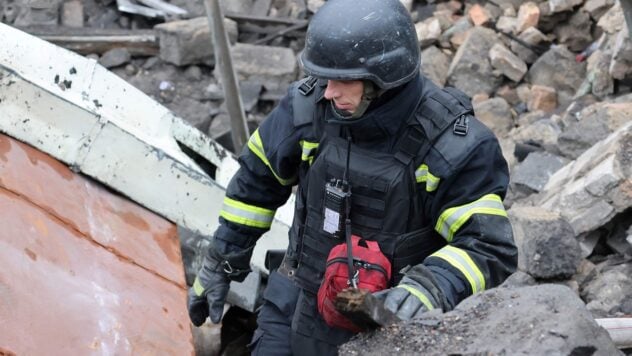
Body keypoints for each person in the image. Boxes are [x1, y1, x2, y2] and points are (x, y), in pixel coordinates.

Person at [187, 0, 518, 354]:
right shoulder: (307, 110)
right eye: (324, 77)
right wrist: (223, 258)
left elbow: (487, 247)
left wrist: (429, 288)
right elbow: (257, 181)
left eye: (343, 80)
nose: (328, 92)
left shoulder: (451, 146)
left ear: (384, 77)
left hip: (385, 329)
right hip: (295, 302)